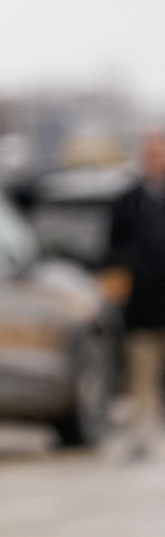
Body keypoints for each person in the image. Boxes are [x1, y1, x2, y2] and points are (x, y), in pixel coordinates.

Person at [108, 130, 165, 459]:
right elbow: (114, 249)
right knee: (142, 374)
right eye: (150, 153)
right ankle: (141, 437)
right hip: (142, 304)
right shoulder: (128, 201)